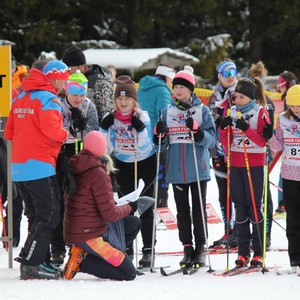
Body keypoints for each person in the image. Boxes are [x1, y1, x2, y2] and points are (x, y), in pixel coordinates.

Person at [4, 60, 69, 280]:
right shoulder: (48, 99)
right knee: (50, 214)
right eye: (65, 79)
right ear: (55, 77)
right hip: (39, 165)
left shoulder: (21, 97)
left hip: (19, 167)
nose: (65, 84)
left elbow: (9, 133)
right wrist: (65, 134)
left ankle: (40, 259)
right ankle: (31, 264)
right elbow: (53, 129)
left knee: (35, 214)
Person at [153, 65, 216, 268]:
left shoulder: (202, 110)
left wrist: (198, 133)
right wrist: (159, 135)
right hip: (176, 169)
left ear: (190, 89)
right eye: (175, 87)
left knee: (198, 209)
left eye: (182, 87)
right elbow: (161, 144)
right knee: (182, 210)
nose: (177, 90)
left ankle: (200, 248)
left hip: (198, 168)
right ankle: (187, 247)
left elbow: (212, 140)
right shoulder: (167, 111)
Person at [63, 131, 140, 281]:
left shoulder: (76, 164)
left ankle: (94, 255)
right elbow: (110, 214)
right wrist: (130, 207)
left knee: (133, 223)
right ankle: (84, 262)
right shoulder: (98, 173)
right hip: (90, 235)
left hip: (81, 228)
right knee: (129, 274)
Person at [100, 75, 156, 268]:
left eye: (127, 99)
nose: (123, 103)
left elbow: (145, 148)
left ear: (134, 101)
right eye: (120, 99)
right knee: (126, 207)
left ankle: (148, 249)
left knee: (146, 206)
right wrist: (104, 128)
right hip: (123, 164)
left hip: (145, 163)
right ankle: (128, 247)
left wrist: (140, 131)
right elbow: (105, 149)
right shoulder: (111, 117)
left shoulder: (143, 117)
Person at [219, 77, 271, 267]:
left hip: (255, 164)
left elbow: (262, 142)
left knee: (255, 206)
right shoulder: (232, 112)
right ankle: (242, 252)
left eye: (241, 97)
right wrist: (224, 129)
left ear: (251, 97)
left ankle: (258, 251)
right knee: (239, 207)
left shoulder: (260, 112)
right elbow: (226, 144)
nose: (237, 101)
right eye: (235, 97)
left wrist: (247, 129)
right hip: (237, 163)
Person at [50, 71, 99, 266]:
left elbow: (94, 133)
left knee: (79, 202)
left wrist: (84, 127)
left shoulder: (89, 105)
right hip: (60, 154)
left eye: (81, 94)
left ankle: (77, 244)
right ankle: (57, 247)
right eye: (74, 94)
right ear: (67, 92)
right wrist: (72, 127)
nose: (78, 99)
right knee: (59, 202)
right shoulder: (58, 104)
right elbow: (55, 131)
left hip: (82, 155)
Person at [269, 85, 300, 269]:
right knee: (293, 218)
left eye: (299, 105)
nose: (296, 109)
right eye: (293, 105)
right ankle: (295, 257)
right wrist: (269, 136)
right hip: (289, 175)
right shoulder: (283, 120)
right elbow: (278, 143)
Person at [208, 59, 238, 248]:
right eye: (226, 74)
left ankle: (243, 232)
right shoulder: (214, 96)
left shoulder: (239, 92)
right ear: (219, 76)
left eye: (233, 73)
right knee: (223, 192)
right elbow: (210, 121)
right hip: (219, 149)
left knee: (237, 192)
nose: (230, 77)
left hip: (236, 149)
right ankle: (229, 230)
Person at [137, 64, 175, 208]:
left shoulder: (142, 87)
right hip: (157, 138)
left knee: (146, 173)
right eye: (171, 80)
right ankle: (160, 206)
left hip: (142, 137)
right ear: (166, 77)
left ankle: (144, 205)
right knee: (161, 173)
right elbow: (165, 114)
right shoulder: (162, 90)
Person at [248, 61, 275, 249]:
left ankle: (264, 234)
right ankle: (256, 234)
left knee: (262, 196)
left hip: (260, 154)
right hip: (246, 154)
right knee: (252, 197)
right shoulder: (244, 101)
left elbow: (268, 133)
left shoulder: (266, 104)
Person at [62, 45, 114, 122]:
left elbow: (107, 113)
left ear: (81, 66)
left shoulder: (99, 83)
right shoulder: (69, 80)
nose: (67, 72)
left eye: (69, 69)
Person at [275, 71, 298, 217]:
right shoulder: (285, 112)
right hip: (289, 162)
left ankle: (282, 204)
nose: (281, 88)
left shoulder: (293, 94)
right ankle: (282, 204)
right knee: (283, 175)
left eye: (283, 85)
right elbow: (279, 141)